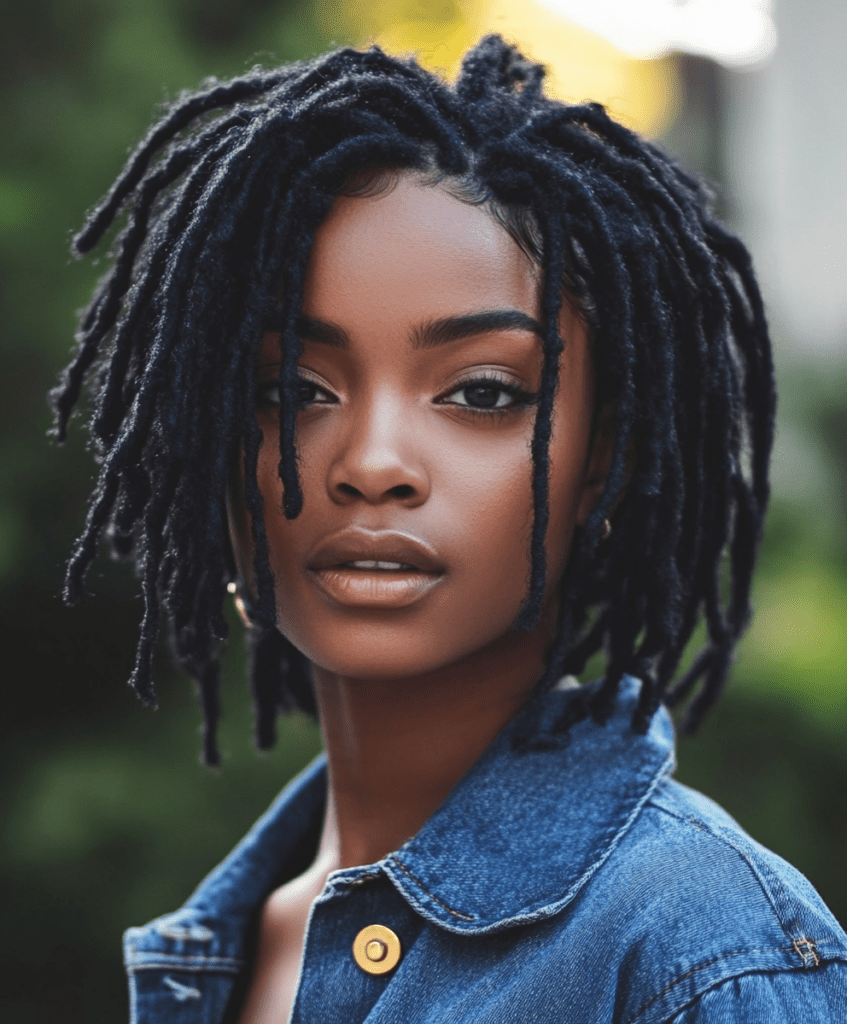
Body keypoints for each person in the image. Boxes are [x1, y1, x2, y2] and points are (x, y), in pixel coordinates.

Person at [52, 35, 846, 1024]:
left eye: (479, 391)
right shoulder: (218, 947)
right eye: (291, 388)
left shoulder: (699, 948)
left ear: (602, 459)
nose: (371, 461)